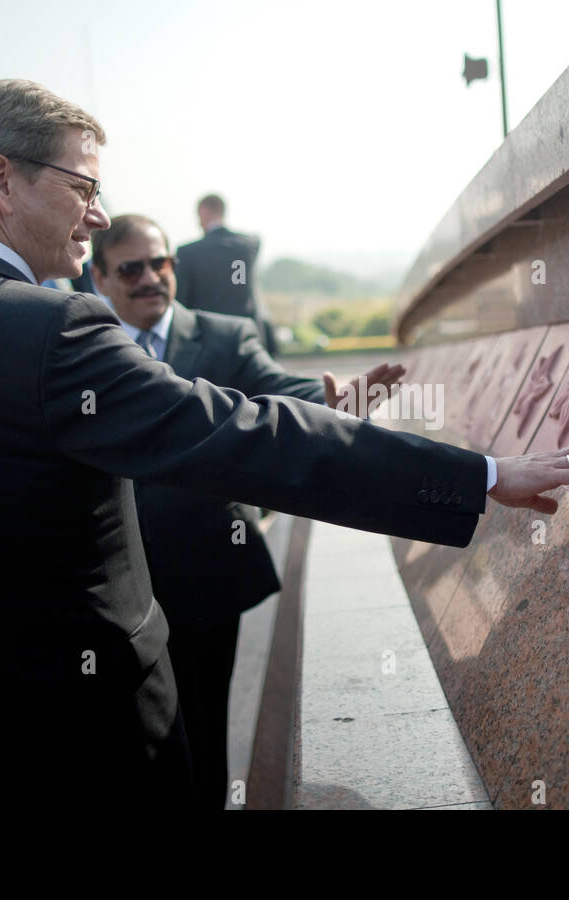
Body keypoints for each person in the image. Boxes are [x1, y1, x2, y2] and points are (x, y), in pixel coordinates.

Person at [0, 79, 569, 809]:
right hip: (99, 736)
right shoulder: (51, 327)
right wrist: (480, 474)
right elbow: (240, 435)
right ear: (2, 180)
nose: (100, 215)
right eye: (82, 187)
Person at [91, 214, 403, 808]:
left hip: (206, 573)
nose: (151, 277)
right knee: (129, 741)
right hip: (115, 590)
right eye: (131, 268)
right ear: (100, 277)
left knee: (203, 726)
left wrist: (330, 401)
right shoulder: (88, 347)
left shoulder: (223, 336)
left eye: (161, 264)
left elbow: (277, 388)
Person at [175, 194, 277, 352]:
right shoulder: (248, 244)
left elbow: (182, 299)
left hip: (207, 336)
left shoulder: (187, 252)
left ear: (204, 211)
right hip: (247, 332)